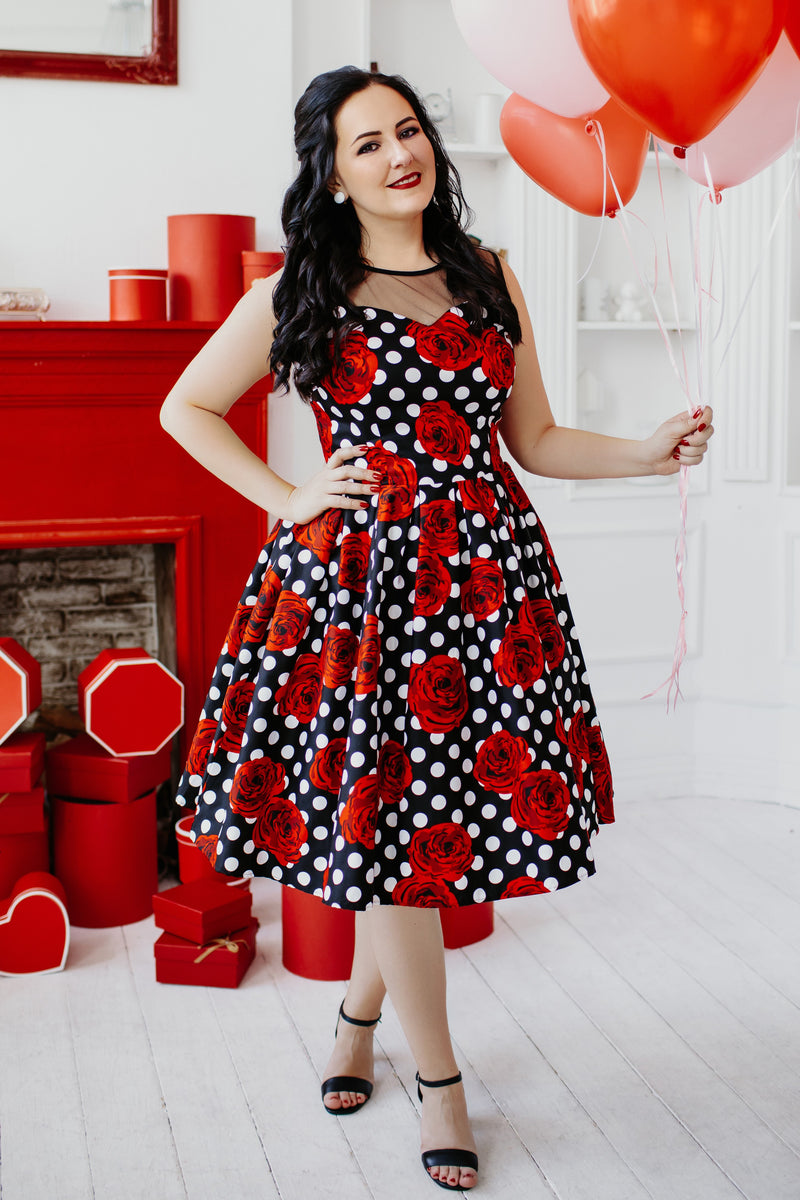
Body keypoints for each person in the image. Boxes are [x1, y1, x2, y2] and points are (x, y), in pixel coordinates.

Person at [160, 65, 713, 1192]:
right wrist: (290, 496)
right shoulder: (302, 286)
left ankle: (357, 1016)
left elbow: (538, 439)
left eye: (406, 131)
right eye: (365, 144)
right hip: (359, 593)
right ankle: (442, 1080)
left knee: (416, 835)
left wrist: (646, 448)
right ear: (330, 171)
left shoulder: (486, 272)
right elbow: (187, 407)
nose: (396, 155)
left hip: (485, 587)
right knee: (392, 831)